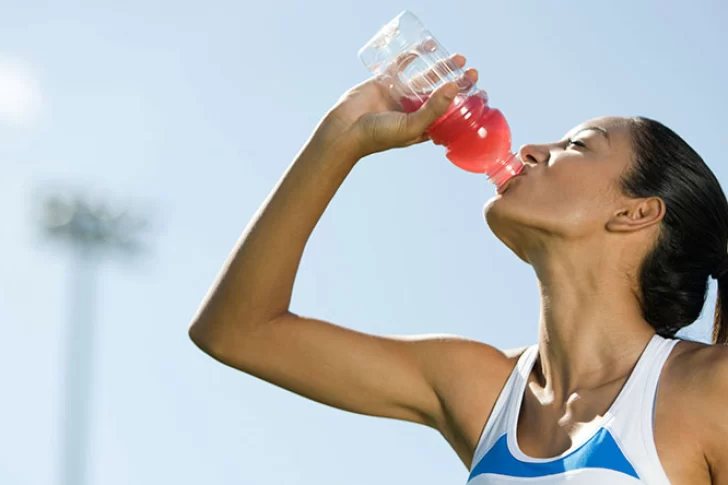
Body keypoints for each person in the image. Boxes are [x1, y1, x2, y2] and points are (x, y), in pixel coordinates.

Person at [188, 55, 728, 484]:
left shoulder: (710, 389)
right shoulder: (483, 389)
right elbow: (237, 331)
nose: (535, 149)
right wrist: (342, 137)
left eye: (577, 146)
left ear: (636, 213)